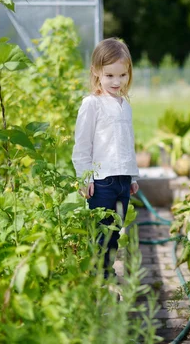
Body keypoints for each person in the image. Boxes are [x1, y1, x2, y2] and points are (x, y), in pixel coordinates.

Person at [72, 38, 140, 279]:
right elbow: (82, 144)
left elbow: (126, 143)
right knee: (101, 232)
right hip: (101, 181)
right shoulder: (92, 104)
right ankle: (97, 277)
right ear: (96, 72)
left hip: (122, 181)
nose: (116, 81)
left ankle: (107, 273)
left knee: (115, 233)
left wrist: (132, 175)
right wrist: (85, 178)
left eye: (122, 75)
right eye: (109, 75)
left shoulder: (125, 105)